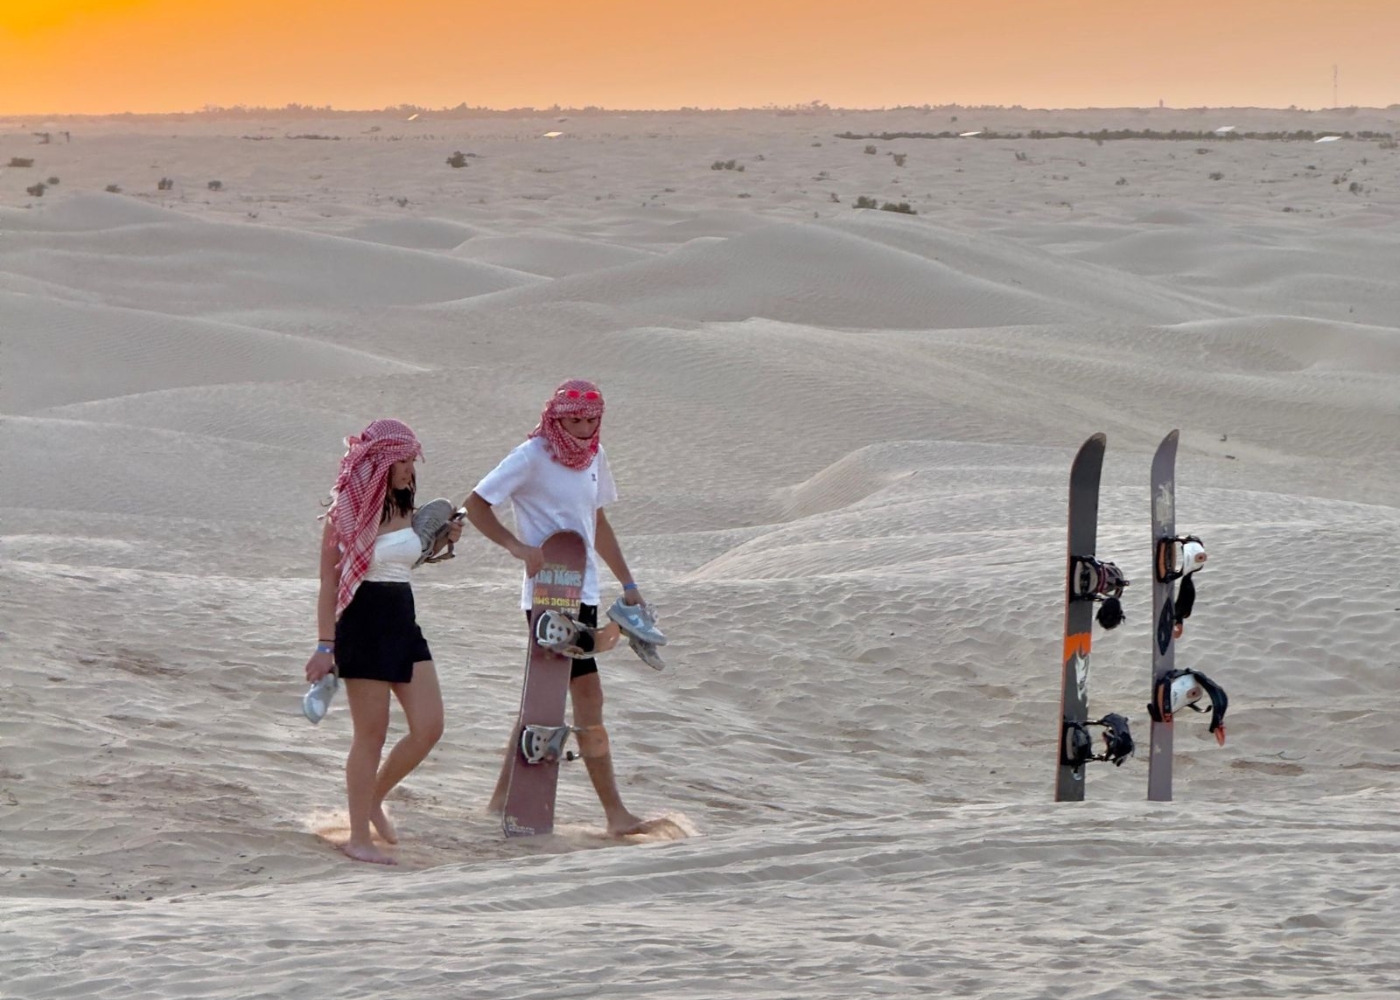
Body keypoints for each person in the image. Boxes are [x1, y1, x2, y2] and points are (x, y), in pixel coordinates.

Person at [464, 378, 651, 836]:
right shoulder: (531, 456)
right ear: (556, 416)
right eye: (575, 420)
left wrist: (628, 583)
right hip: (547, 596)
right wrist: (516, 546)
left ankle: (497, 803)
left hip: (583, 592)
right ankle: (615, 815)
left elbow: (598, 521)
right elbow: (475, 504)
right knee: (585, 698)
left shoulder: (595, 458)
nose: (584, 429)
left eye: (592, 421)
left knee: (541, 701)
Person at [304, 418, 462, 865]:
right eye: (405, 461)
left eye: (413, 461)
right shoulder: (346, 513)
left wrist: (440, 542)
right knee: (370, 736)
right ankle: (358, 837)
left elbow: (400, 561)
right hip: (363, 622)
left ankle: (374, 798)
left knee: (429, 726)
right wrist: (323, 646)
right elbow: (329, 585)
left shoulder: (404, 504)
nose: (412, 470)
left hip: (403, 621)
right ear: (382, 462)